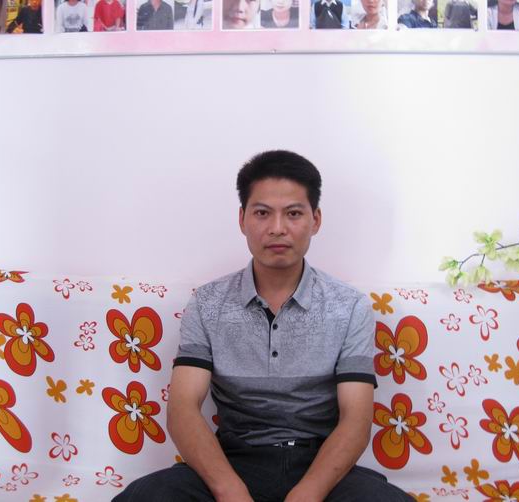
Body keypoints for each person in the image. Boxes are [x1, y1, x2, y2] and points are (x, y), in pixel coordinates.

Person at [112, 150, 414, 502]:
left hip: (320, 468)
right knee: (147, 497)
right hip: (230, 463)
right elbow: (183, 408)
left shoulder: (349, 307)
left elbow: (355, 419)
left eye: (294, 213)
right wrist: (229, 490)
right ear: (242, 219)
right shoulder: (208, 303)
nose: (277, 228)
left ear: (315, 220)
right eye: (262, 213)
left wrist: (309, 493)